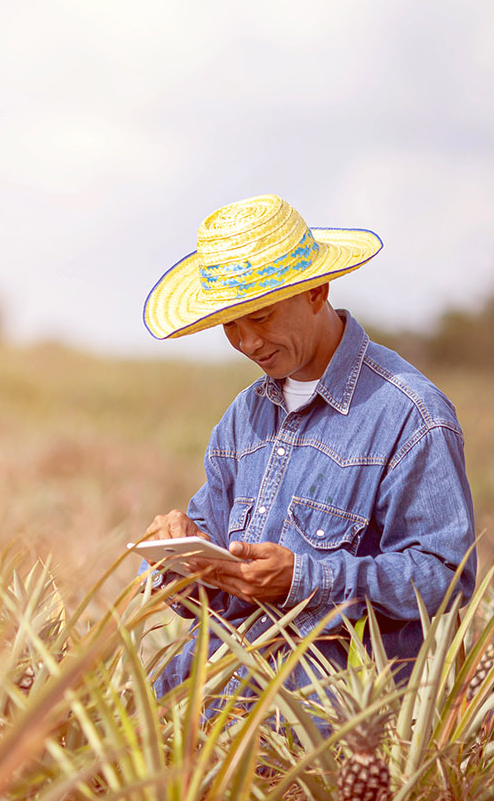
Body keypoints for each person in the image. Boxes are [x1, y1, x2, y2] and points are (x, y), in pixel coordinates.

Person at [139, 193, 476, 701]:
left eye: (262, 316)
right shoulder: (242, 418)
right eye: (231, 323)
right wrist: (177, 561)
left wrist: (307, 580)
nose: (247, 342)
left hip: (332, 734)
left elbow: (445, 577)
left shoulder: (412, 414)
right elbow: (218, 587)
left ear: (316, 290)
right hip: (209, 705)